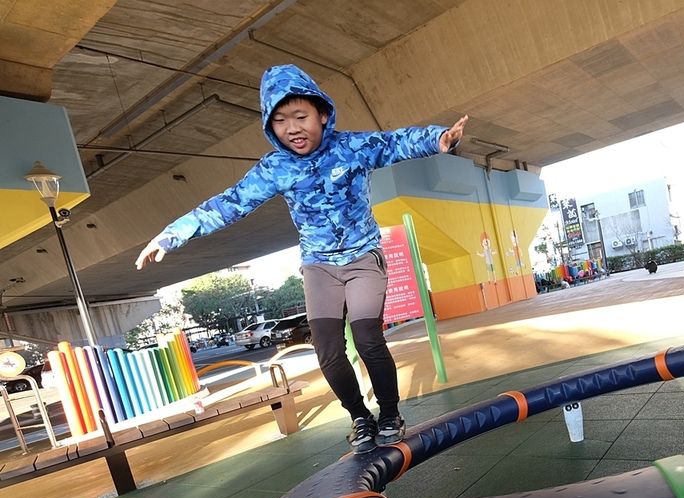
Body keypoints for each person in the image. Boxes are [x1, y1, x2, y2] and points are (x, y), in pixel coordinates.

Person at [135, 64, 467, 454]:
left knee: (367, 338)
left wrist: (439, 139)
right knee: (327, 349)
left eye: (300, 116)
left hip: (362, 257)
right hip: (319, 266)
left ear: (322, 114)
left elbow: (394, 143)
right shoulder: (275, 169)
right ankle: (360, 416)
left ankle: (390, 412)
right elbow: (230, 204)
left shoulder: (350, 148)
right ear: (269, 127)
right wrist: (171, 234)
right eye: (279, 120)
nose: (292, 128)